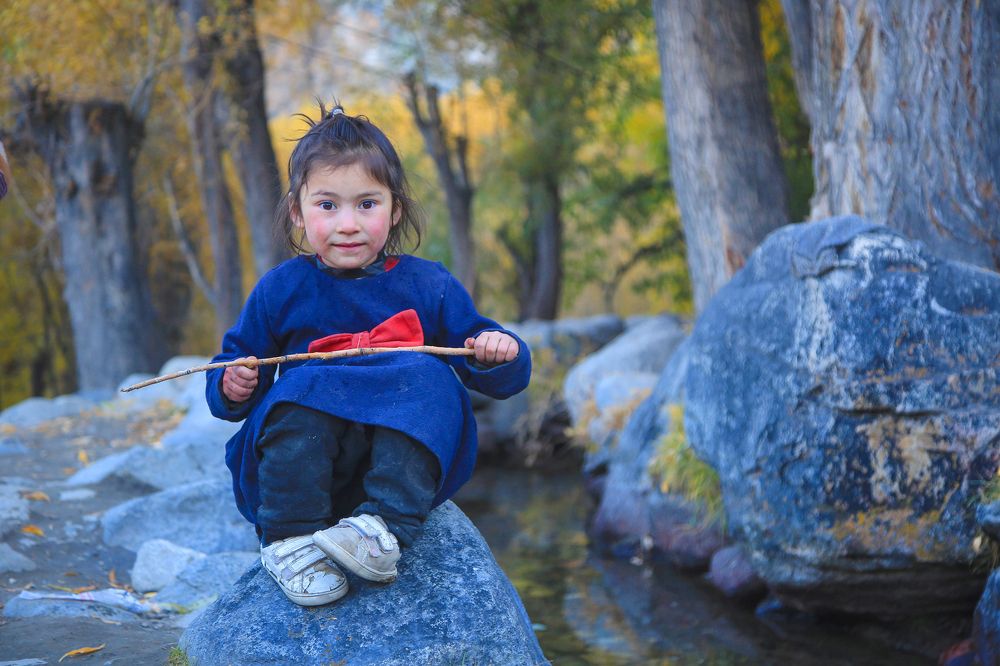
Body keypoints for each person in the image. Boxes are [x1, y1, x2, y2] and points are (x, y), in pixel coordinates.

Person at [205, 103, 531, 607]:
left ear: (394, 209)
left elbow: (491, 367)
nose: (348, 224)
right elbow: (233, 372)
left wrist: (496, 350)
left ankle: (380, 530)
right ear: (297, 212)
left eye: (367, 204)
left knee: (432, 378)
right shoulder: (280, 289)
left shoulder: (428, 284)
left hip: (393, 475)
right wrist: (233, 383)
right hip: (306, 470)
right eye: (327, 205)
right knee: (298, 394)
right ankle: (290, 541)